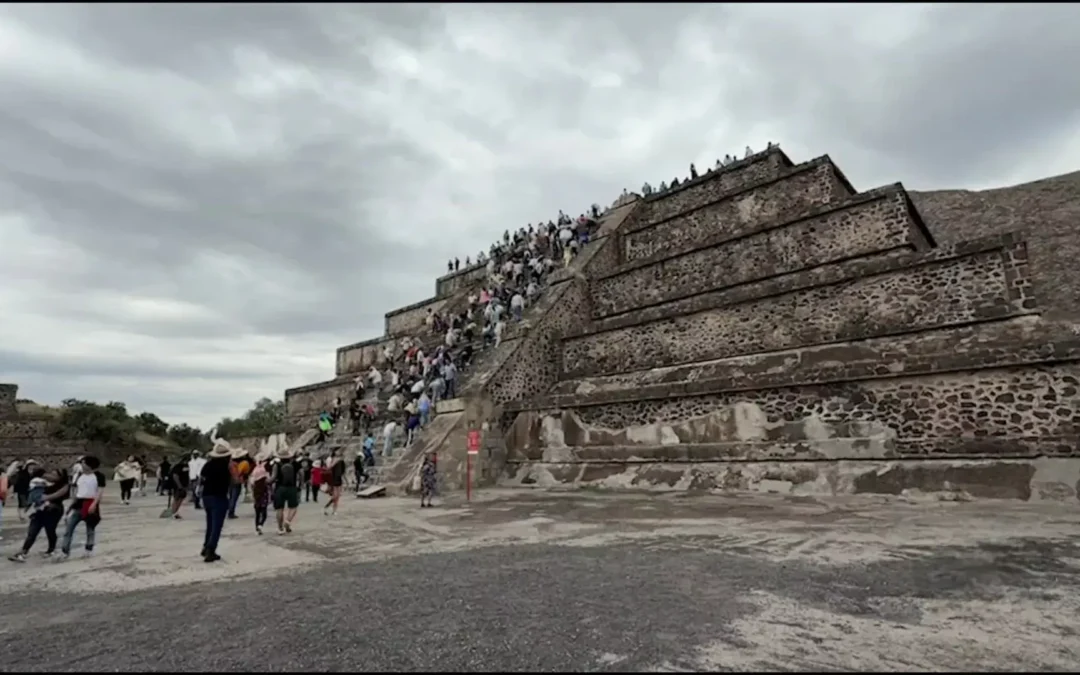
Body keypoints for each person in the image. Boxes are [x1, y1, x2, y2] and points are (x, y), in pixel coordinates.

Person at [8, 468, 68, 562]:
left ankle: (51, 550)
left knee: (50, 530)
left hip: (53, 510)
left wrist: (44, 498)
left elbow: (57, 495)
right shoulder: (42, 483)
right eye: (50, 473)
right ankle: (23, 551)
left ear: (60, 477)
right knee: (32, 531)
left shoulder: (63, 486)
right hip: (39, 510)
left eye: (54, 475)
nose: (50, 476)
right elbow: (33, 495)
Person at [58, 455, 104, 561]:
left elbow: (100, 491)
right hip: (79, 502)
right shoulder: (79, 475)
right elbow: (76, 492)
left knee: (90, 528)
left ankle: (89, 548)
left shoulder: (98, 476)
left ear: (89, 465)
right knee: (69, 528)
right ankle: (65, 551)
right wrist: (70, 506)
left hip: (90, 502)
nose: (81, 464)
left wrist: (94, 504)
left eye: (83, 463)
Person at [198, 444, 234, 563]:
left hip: (206, 496)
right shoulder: (225, 468)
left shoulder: (208, 465)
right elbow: (232, 482)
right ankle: (210, 550)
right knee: (216, 526)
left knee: (210, 524)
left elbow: (201, 479)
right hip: (219, 497)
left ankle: (205, 546)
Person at [271, 449, 300, 535]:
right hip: (292, 487)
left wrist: (266, 482)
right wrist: (300, 484)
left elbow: (273, 477)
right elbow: (301, 473)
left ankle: (280, 528)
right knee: (293, 507)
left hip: (280, 488)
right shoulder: (295, 464)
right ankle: (287, 521)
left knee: (279, 509)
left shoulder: (276, 465)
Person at [250, 459, 270, 535]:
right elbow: (269, 482)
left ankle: (257, 528)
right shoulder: (265, 474)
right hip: (264, 496)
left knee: (257, 514)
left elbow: (251, 484)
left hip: (257, 496)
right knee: (264, 514)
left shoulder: (254, 473)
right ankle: (260, 525)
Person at [324, 450, 345, 516]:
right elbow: (329, 467)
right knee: (335, 496)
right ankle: (328, 506)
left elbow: (343, 471)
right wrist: (335, 462)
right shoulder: (332, 459)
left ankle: (334, 510)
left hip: (339, 478)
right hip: (334, 478)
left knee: (338, 496)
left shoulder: (341, 460)